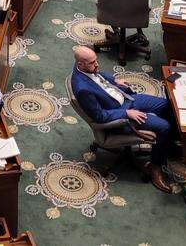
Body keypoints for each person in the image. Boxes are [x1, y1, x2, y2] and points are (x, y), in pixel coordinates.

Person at [70, 46, 175, 193]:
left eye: (96, 60)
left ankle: (168, 145)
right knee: (164, 127)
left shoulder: (86, 67)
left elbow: (99, 75)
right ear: (80, 64)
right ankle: (155, 166)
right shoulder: (82, 89)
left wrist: (114, 80)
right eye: (92, 63)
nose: (97, 65)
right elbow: (99, 116)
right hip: (121, 115)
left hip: (127, 99)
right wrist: (127, 113)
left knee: (167, 105)